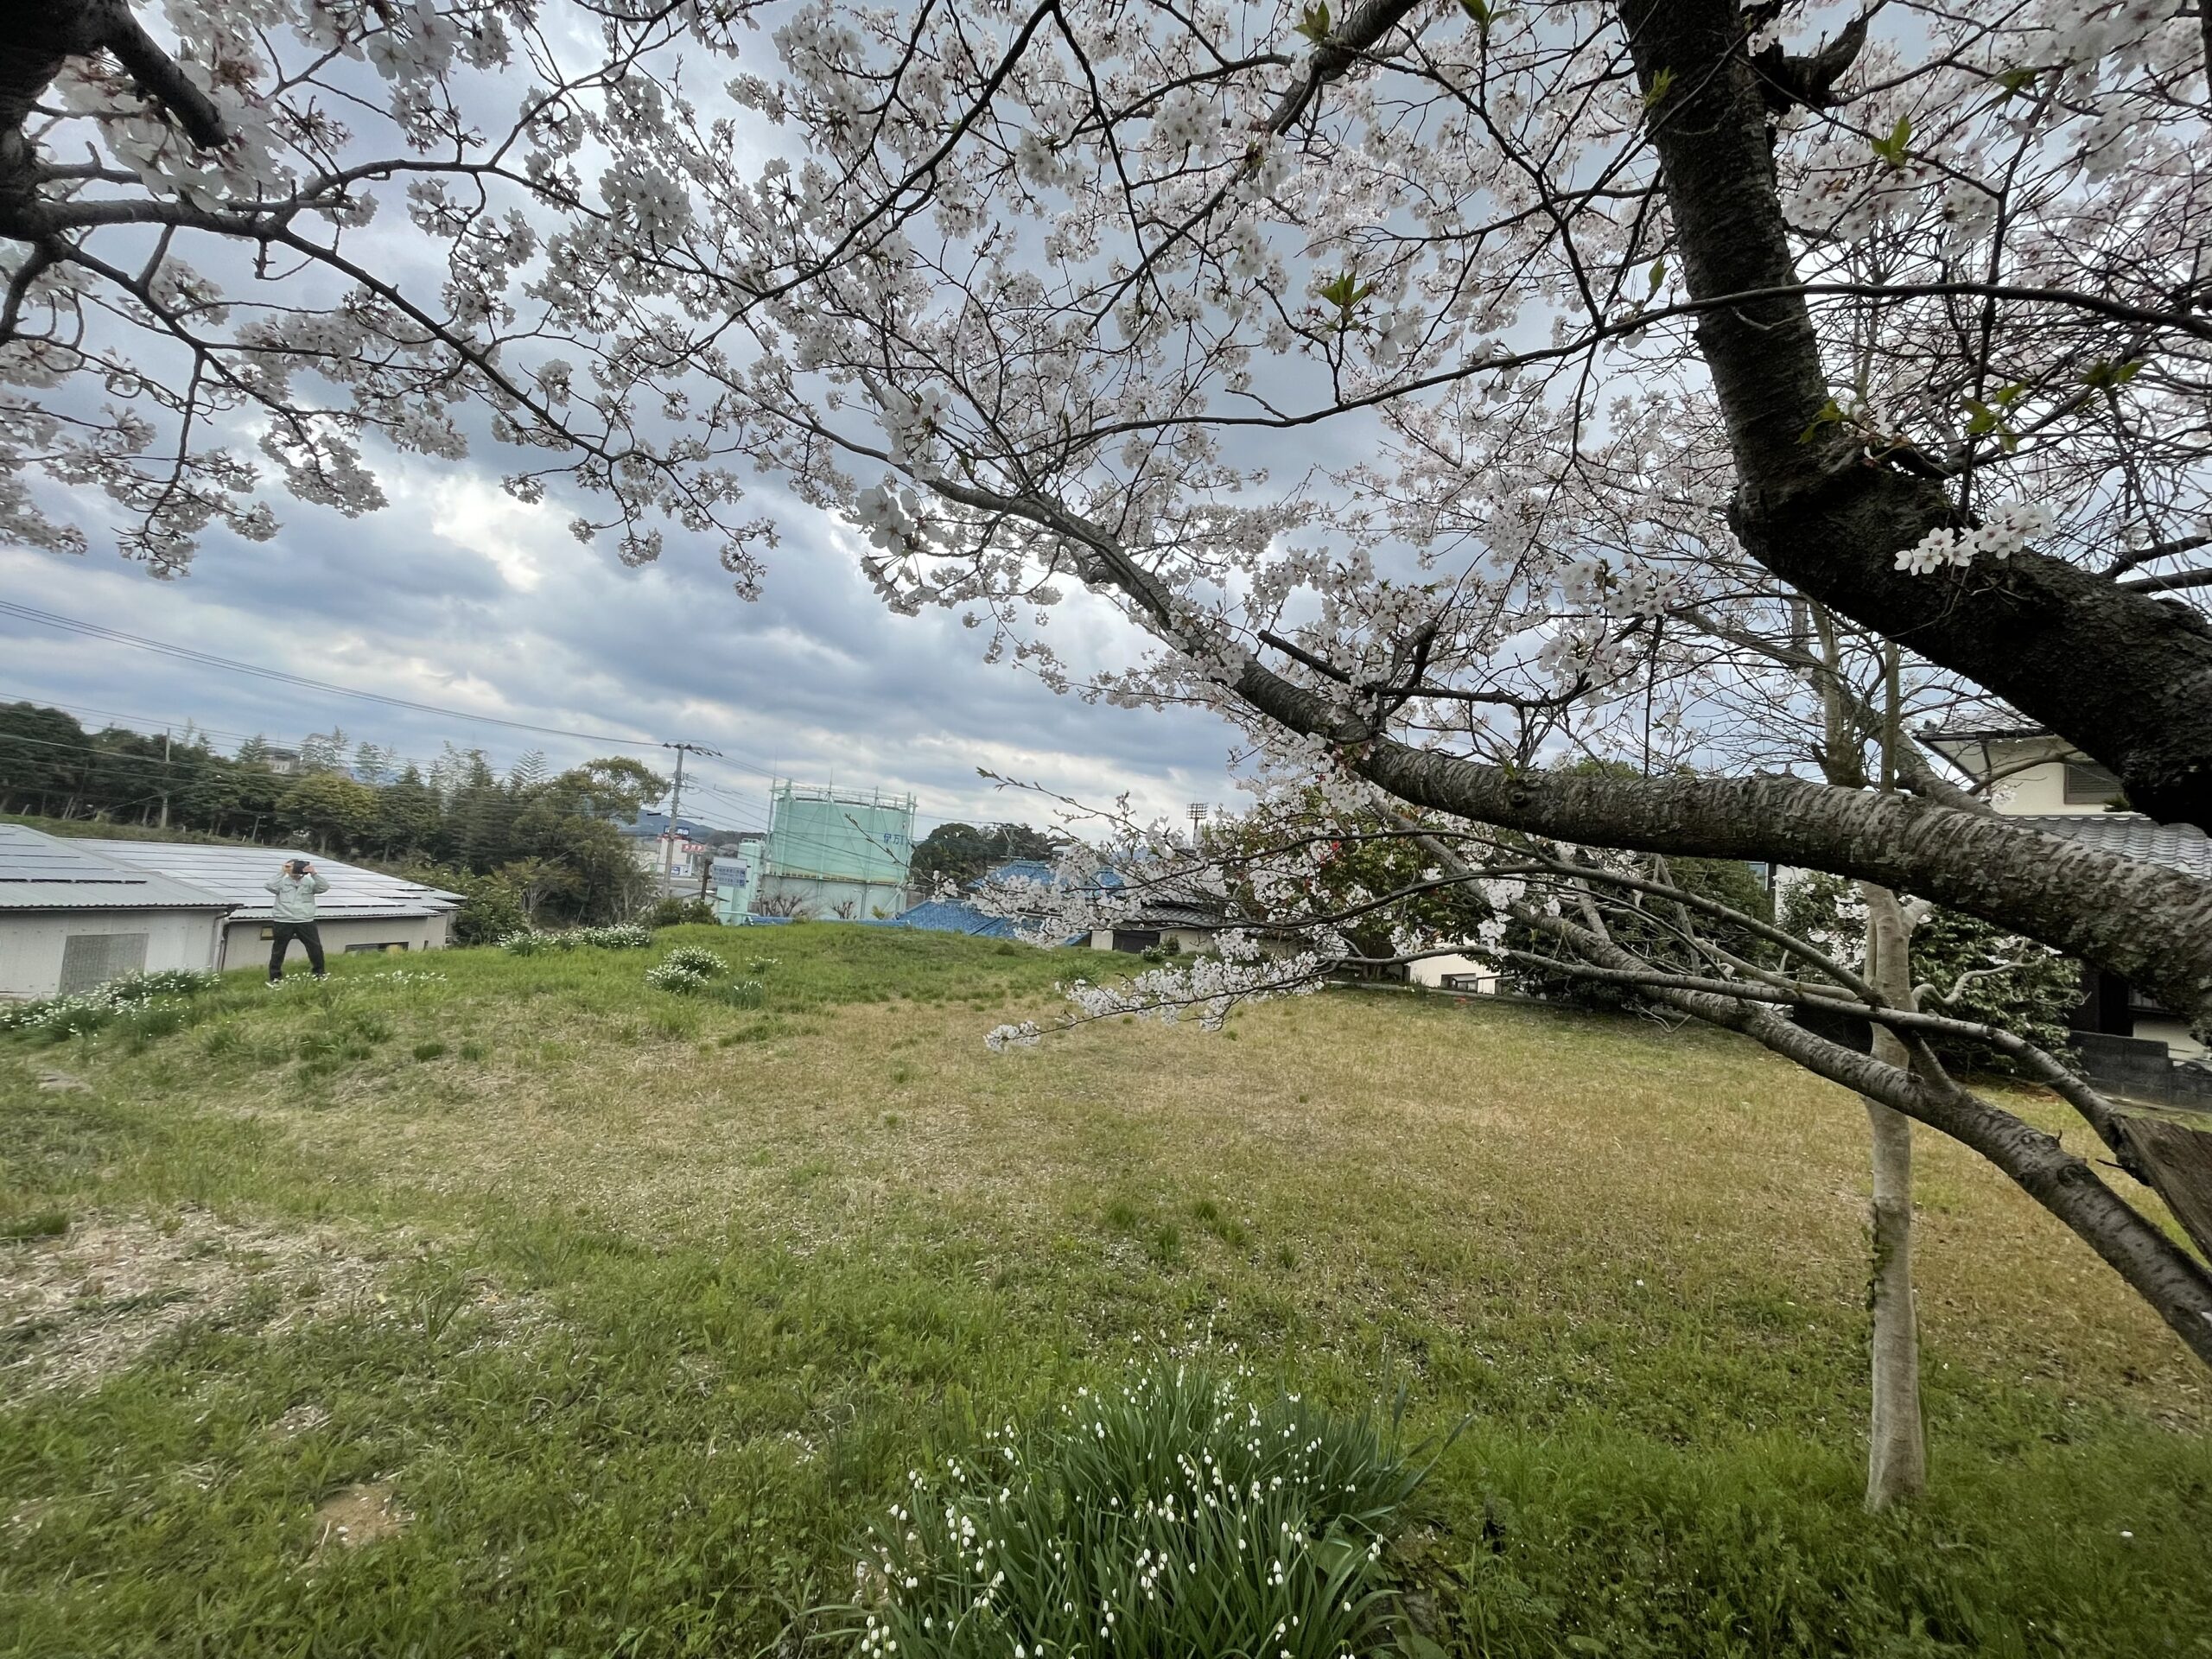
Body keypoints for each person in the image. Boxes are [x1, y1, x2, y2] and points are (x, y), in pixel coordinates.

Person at [265, 857, 332, 982]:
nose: (295, 869)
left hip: (305, 920)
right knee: (278, 950)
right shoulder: (282, 882)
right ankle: (275, 977)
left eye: (297, 866)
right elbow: (269, 886)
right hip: (283, 920)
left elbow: (324, 887)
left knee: (315, 948)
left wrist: (314, 873)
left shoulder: (309, 882)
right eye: (292, 866)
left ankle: (319, 974)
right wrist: (282, 872)